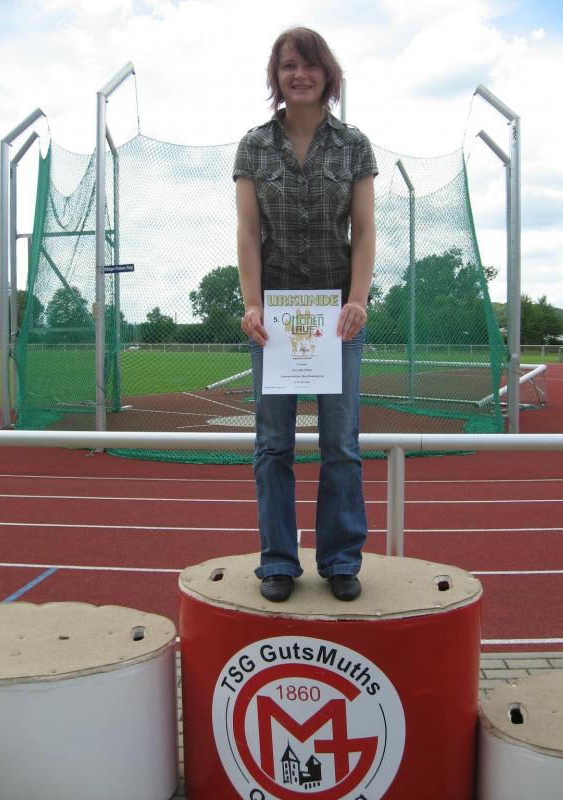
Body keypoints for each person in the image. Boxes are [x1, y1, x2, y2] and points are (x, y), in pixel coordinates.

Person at [234, 26, 377, 602]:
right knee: (274, 445)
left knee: (340, 444)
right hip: (275, 321)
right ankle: (277, 560)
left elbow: (364, 230)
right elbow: (248, 232)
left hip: (336, 319)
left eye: (310, 64)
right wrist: (251, 303)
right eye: (289, 65)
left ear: (328, 74)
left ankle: (341, 560)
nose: (300, 75)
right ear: (277, 76)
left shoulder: (354, 145)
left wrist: (358, 299)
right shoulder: (253, 146)